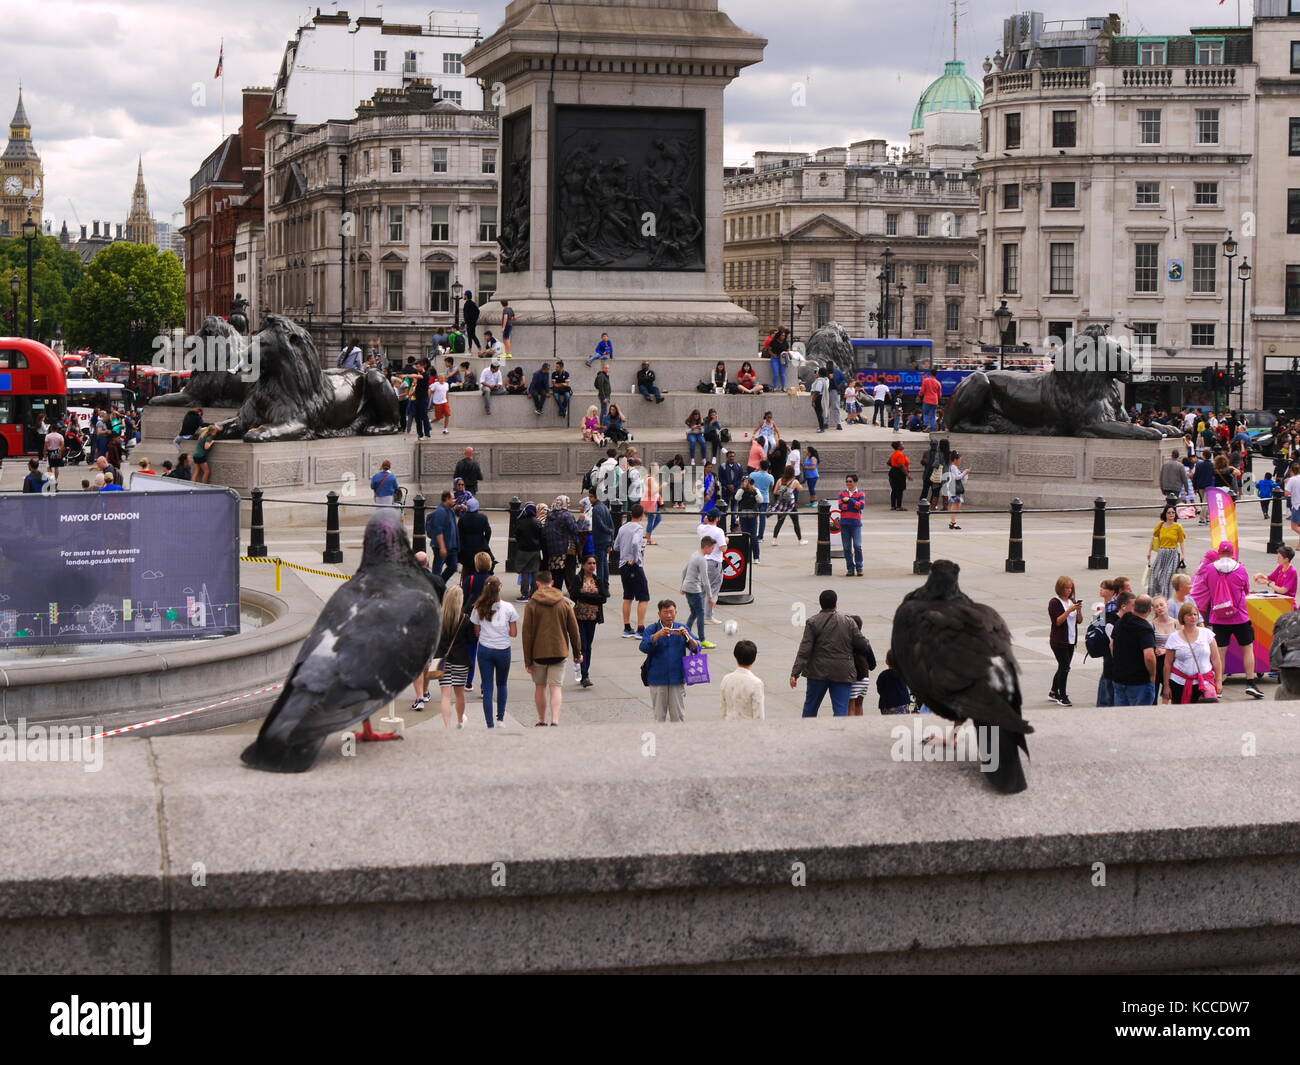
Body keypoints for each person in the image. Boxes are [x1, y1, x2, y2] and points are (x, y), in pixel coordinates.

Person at [1193, 540, 1264, 698]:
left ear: (1219, 553)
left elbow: (1206, 587)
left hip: (1218, 617)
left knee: (1219, 653)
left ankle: (1218, 685)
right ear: (1233, 553)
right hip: (1240, 616)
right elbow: (1246, 590)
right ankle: (1250, 683)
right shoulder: (1241, 569)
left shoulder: (1210, 569)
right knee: (1247, 648)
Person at [790, 588, 875, 717]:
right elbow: (862, 644)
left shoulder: (813, 622)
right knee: (841, 711)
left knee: (810, 708)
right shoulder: (848, 622)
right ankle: (840, 735)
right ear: (836, 604)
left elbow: (804, 650)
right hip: (842, 671)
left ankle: (806, 734)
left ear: (820, 603)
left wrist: (795, 673)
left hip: (817, 671)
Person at [521, 569, 581, 726]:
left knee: (540, 687)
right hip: (559, 651)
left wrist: (527, 660)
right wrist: (577, 653)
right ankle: (555, 720)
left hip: (538, 653)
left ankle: (542, 720)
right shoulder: (564, 603)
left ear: (537, 584)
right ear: (552, 583)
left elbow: (527, 635)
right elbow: (574, 631)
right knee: (556, 688)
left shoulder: (532, 604)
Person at [640, 599, 701, 723]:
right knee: (659, 717)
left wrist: (688, 638)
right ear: (659, 614)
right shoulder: (652, 629)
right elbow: (644, 647)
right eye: (665, 612)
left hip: (676, 679)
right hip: (657, 679)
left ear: (676, 612)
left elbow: (696, 648)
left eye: (671, 612)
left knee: (678, 716)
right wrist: (657, 635)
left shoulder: (682, 628)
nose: (669, 615)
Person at [471, 576, 518, 728]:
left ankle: (489, 723)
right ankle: (500, 719)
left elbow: (477, 632)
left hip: (485, 649)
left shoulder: (478, 607)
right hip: (503, 649)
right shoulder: (508, 607)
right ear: (500, 588)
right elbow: (513, 633)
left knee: (488, 686)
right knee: (502, 684)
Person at [1163, 602, 1223, 704]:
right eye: (1189, 614)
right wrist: (1166, 686)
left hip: (1205, 682)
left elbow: (1216, 660)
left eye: (1195, 614)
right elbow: (1167, 664)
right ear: (1183, 617)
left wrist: (1218, 680)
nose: (1193, 617)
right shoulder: (1173, 637)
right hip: (1179, 682)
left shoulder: (1207, 634)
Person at [1108, 592, 1157, 706]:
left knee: (1122, 716)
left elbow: (1112, 645)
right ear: (1150, 610)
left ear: (1134, 606)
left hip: (1119, 677)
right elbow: (1149, 656)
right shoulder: (1145, 628)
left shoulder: (1121, 621)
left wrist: (1118, 663)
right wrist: (1153, 674)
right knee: (1140, 718)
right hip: (1139, 681)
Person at [568, 554, 608, 688]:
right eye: (589, 563)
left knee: (588, 646)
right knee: (583, 645)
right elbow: (575, 595)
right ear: (584, 565)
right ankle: (584, 675)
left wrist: (586, 597)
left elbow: (603, 597)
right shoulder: (578, 578)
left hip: (592, 617)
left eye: (594, 563)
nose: (592, 566)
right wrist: (592, 597)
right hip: (579, 617)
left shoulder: (598, 580)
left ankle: (584, 670)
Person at [614, 502, 650, 637]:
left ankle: (627, 627)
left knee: (628, 596)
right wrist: (635, 557)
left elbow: (616, 546)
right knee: (643, 597)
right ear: (641, 515)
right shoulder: (638, 529)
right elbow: (635, 543)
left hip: (623, 565)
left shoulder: (623, 528)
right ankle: (641, 629)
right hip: (634, 565)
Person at [1048, 575, 1085, 706]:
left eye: (1071, 588)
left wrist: (1078, 611)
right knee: (1065, 667)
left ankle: (1053, 691)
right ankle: (1062, 696)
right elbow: (1057, 621)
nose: (1069, 590)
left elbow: (1079, 621)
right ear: (1060, 588)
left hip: (1071, 640)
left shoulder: (1072, 601)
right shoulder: (1055, 602)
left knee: (1063, 667)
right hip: (1059, 641)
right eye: (1066, 588)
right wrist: (1069, 611)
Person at [680, 537, 717, 650]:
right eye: (712, 548)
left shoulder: (694, 554)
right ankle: (702, 639)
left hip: (688, 587)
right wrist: (711, 597)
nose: (712, 550)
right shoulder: (701, 559)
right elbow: (706, 581)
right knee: (700, 613)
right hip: (694, 589)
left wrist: (683, 585)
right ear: (706, 547)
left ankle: (686, 635)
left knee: (694, 613)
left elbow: (684, 570)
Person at [1146, 505, 1186, 600]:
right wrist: (1149, 552)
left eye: (1173, 512)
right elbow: (1154, 538)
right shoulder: (1160, 525)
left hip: (1172, 554)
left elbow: (1181, 541)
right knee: (1154, 575)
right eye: (1169, 512)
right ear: (1165, 514)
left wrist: (1183, 554)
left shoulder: (1178, 527)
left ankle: (1164, 599)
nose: (1171, 514)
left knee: (1166, 578)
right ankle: (1153, 597)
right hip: (1161, 552)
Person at [544, 494, 582, 590]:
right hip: (567, 549)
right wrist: (581, 521)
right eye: (568, 503)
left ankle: (556, 594)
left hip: (554, 551)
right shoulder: (567, 515)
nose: (569, 505)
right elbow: (575, 530)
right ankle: (573, 594)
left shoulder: (549, 515)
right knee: (569, 574)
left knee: (556, 575)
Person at [720, 640, 765, 720]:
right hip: (747, 729)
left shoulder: (726, 679)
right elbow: (759, 715)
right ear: (754, 658)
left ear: (736, 657)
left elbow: (723, 709)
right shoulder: (756, 683)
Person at [697, 511, 727, 624]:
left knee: (702, 589)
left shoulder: (700, 528)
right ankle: (708, 615)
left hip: (702, 560)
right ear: (717, 518)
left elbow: (703, 525)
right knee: (713, 589)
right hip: (714, 562)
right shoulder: (719, 531)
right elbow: (723, 548)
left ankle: (700, 614)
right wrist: (726, 541)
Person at [427, 490, 461, 582]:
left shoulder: (450, 511)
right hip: (441, 547)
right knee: (437, 569)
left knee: (453, 567)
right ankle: (435, 586)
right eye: (453, 498)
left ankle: (440, 583)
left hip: (451, 547)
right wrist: (442, 547)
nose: (455, 500)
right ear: (446, 499)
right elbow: (438, 531)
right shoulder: (440, 512)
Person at [1151, 595, 1178, 702]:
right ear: (1154, 610)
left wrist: (1166, 650)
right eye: (1156, 606)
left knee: (1171, 691)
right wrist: (1155, 649)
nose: (1160, 608)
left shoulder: (1177, 623)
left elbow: (1182, 644)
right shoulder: (1152, 624)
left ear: (1167, 605)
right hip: (1158, 661)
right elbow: (1149, 644)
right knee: (1154, 690)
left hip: (1174, 660)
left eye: (1162, 605)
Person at [838, 474, 865, 576]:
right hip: (844, 523)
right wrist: (854, 504)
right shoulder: (842, 493)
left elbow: (861, 506)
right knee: (846, 547)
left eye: (850, 481)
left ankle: (859, 567)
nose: (848, 483)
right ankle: (850, 568)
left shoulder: (861, 494)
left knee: (857, 546)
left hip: (856, 524)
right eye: (847, 481)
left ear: (855, 482)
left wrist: (849, 500)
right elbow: (841, 506)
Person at [769, 466, 804, 543]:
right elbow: (801, 489)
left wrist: (782, 491)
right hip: (791, 505)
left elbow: (775, 492)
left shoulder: (780, 480)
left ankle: (774, 540)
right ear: (793, 473)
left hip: (781, 504)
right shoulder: (795, 481)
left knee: (779, 521)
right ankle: (800, 540)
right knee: (795, 522)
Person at [846, 615, 873, 715]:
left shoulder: (847, 642)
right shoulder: (865, 643)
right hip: (865, 678)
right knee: (859, 705)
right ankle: (861, 725)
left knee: (850, 706)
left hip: (853, 679)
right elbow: (873, 664)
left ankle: (852, 727)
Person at [588, 488, 614, 587]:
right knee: (604, 563)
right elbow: (611, 525)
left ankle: (601, 586)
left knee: (600, 564)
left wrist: (608, 531)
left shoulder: (596, 509)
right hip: (606, 539)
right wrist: (611, 539)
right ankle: (605, 585)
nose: (589, 498)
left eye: (591, 496)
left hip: (600, 539)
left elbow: (600, 525)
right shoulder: (604, 507)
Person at [876, 650, 912, 715]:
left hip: (887, 704)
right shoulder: (904, 673)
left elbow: (879, 689)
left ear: (886, 661)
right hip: (903, 702)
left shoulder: (883, 675)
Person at [737, 476, 761, 564]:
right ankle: (746, 557)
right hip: (743, 516)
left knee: (753, 537)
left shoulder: (755, 490)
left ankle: (756, 557)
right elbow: (737, 498)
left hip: (753, 516)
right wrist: (743, 489)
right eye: (745, 482)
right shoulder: (741, 490)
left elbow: (760, 500)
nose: (747, 484)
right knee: (744, 537)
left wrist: (754, 491)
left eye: (749, 482)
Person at [719, 450, 744, 526]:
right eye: (730, 456)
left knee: (735, 509)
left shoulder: (739, 466)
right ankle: (723, 526)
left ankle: (733, 527)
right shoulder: (722, 466)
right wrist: (728, 485)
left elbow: (740, 478)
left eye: (733, 456)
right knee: (724, 509)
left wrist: (734, 485)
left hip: (736, 490)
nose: (732, 458)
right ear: (727, 457)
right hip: (726, 490)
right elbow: (721, 478)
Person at [943, 451, 967, 529]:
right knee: (956, 504)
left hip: (954, 487)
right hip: (954, 488)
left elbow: (959, 477)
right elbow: (957, 477)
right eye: (960, 460)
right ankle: (953, 522)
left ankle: (953, 521)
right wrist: (964, 472)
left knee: (958, 504)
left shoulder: (954, 467)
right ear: (955, 460)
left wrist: (964, 473)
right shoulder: (953, 467)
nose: (960, 461)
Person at [1191, 449, 1215, 524]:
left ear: (1203, 456)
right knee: (1206, 502)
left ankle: (1204, 518)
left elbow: (1195, 476)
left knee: (1204, 502)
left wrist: (1194, 487)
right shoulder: (1212, 465)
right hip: (1209, 485)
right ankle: (1204, 518)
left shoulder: (1199, 465)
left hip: (1200, 485)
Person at [887, 441, 909, 511]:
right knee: (900, 490)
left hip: (893, 472)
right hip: (899, 473)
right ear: (899, 446)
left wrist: (894, 466)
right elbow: (901, 466)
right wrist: (907, 474)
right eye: (902, 444)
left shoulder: (894, 453)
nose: (903, 445)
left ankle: (893, 506)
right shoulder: (900, 454)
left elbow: (888, 462)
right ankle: (899, 506)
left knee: (894, 489)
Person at [765, 327, 789, 392]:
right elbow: (769, 350)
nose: (783, 337)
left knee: (783, 373)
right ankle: (774, 387)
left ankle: (784, 387)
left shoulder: (785, 342)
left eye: (784, 335)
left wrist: (786, 353)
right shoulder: (773, 342)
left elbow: (787, 350)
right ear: (779, 335)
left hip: (783, 359)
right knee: (776, 373)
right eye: (782, 335)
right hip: (775, 358)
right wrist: (773, 354)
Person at [810, 366, 830, 432]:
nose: (816, 373)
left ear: (820, 373)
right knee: (821, 413)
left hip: (818, 398)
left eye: (818, 372)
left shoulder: (820, 381)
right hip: (823, 397)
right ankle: (821, 426)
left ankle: (821, 428)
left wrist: (813, 401)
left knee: (819, 413)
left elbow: (817, 391)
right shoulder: (826, 380)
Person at [1287, 461, 1300, 543]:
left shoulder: (1291, 480)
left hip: (1297, 505)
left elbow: (1286, 493)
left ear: (1292, 471)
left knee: (1294, 526)